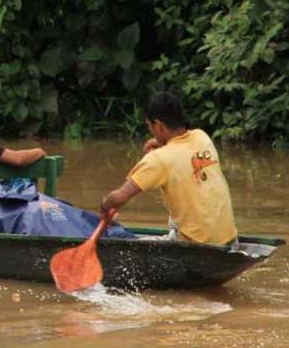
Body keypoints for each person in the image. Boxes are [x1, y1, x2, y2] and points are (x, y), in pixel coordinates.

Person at [100, 91, 237, 245]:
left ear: (158, 125)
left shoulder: (158, 159)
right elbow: (181, 146)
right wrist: (160, 142)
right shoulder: (202, 137)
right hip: (229, 239)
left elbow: (119, 198)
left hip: (196, 245)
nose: (150, 130)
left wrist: (104, 207)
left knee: (120, 236)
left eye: (149, 126)